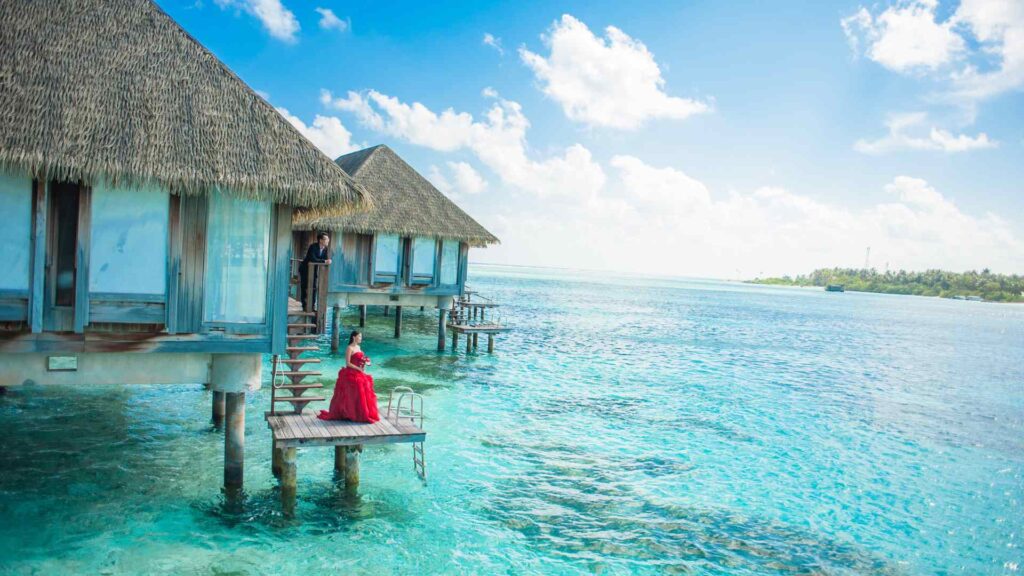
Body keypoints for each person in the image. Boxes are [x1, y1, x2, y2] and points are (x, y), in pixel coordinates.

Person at [318, 330, 380, 423]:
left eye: (361, 337)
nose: (361, 339)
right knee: (358, 385)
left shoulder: (359, 347)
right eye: (359, 337)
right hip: (351, 372)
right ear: (354, 337)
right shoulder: (349, 348)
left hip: (359, 372)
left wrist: (363, 365)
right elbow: (348, 363)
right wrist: (358, 369)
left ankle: (360, 413)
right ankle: (351, 413)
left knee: (366, 384)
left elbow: (360, 359)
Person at [299, 232, 332, 311]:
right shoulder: (313, 247)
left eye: (328, 239)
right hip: (305, 269)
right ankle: (304, 306)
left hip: (314, 271)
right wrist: (324, 261)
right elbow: (313, 259)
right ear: (320, 240)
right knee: (304, 287)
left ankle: (312, 306)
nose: (328, 241)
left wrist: (328, 261)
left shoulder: (325, 249)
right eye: (326, 239)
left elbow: (326, 259)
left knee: (313, 288)